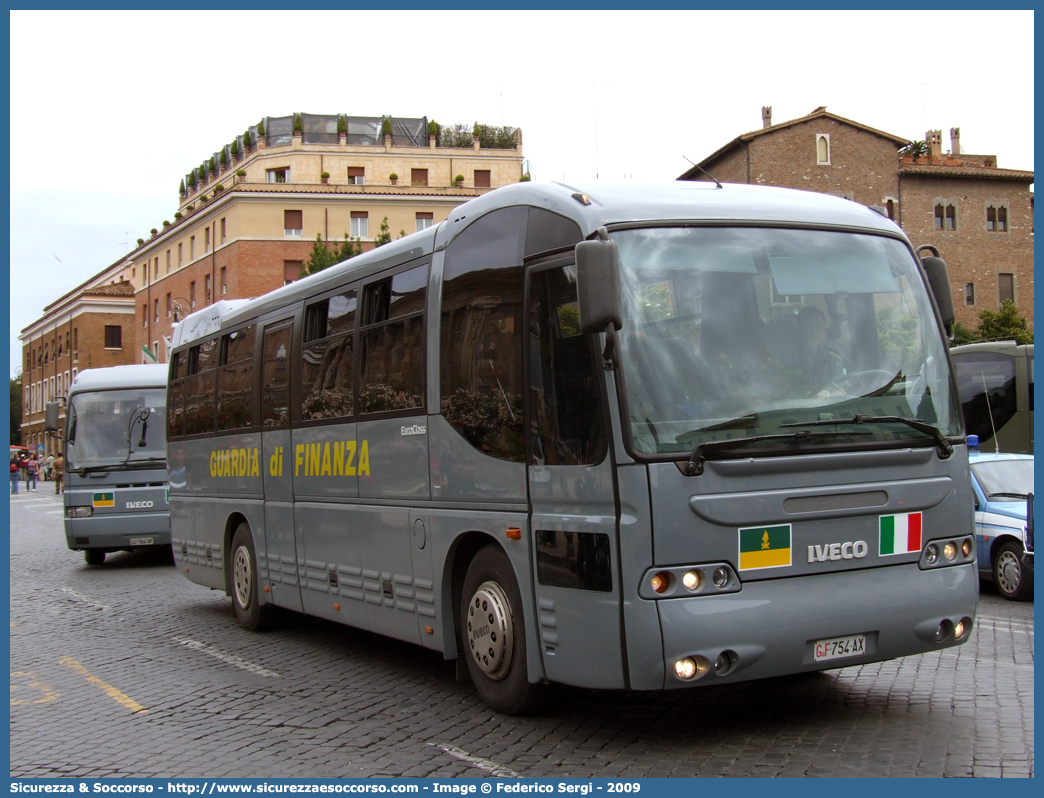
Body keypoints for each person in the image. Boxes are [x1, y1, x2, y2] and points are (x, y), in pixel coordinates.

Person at [797, 306, 846, 399]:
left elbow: (842, 390)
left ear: (823, 331)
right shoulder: (784, 361)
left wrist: (829, 395)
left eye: (818, 327)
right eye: (808, 327)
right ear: (799, 329)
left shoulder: (832, 359)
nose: (813, 332)